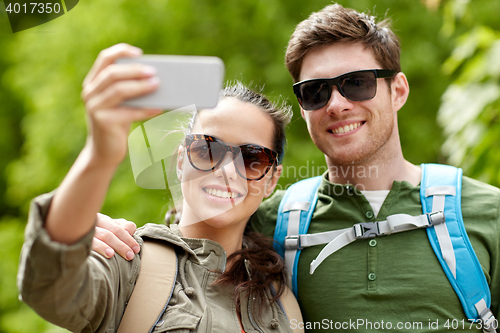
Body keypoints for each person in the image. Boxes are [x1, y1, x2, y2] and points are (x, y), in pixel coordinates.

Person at [93, 4, 500, 332]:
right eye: (316, 91)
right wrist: (99, 235)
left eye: (357, 82)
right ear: (304, 109)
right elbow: (186, 244)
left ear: (398, 90)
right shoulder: (269, 220)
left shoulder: (485, 213)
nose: (337, 103)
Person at [17, 43, 303, 333]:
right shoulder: (127, 261)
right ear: (181, 161)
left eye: (252, 158)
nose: (227, 170)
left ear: (271, 180)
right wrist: (100, 153)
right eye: (207, 149)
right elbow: (48, 288)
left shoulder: (285, 303)